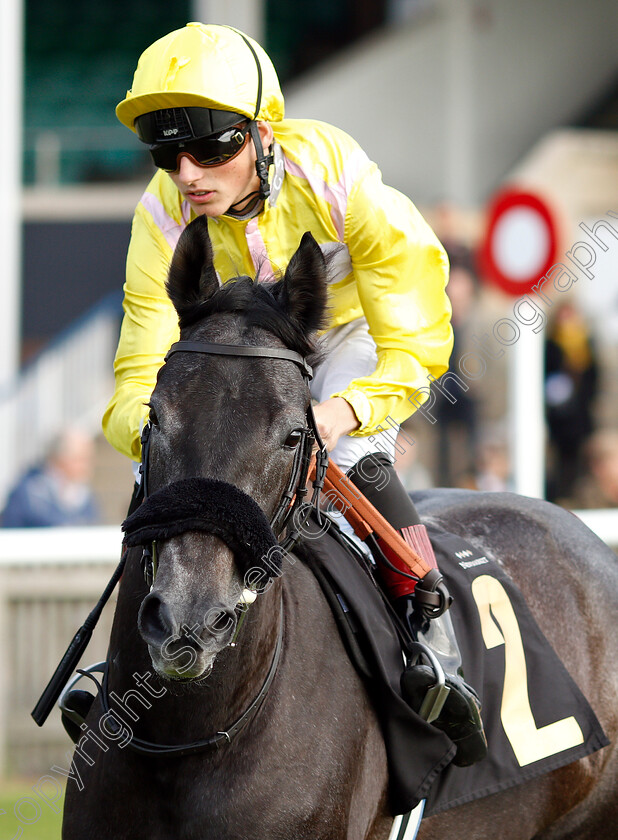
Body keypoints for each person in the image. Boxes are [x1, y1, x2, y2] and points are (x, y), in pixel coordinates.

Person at [104, 22, 483, 760]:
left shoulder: (334, 176)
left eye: (212, 147)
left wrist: (346, 410)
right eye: (167, 152)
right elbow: (137, 371)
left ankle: (431, 634)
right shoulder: (160, 212)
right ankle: (120, 659)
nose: (187, 173)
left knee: (344, 458)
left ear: (263, 133)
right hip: (239, 356)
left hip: (355, 332)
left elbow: (416, 339)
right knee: (166, 457)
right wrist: (157, 430)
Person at [1, 427, 100, 528]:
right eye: (81, 459)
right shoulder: (28, 494)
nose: (87, 466)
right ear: (60, 458)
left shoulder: (84, 496)